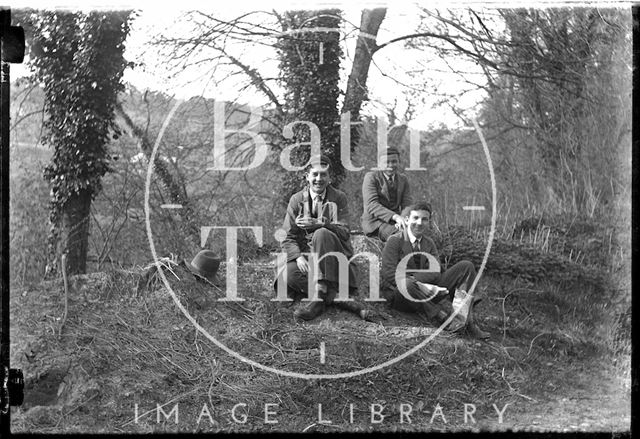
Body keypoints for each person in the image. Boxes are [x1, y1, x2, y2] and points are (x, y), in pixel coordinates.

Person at [274, 154, 367, 321]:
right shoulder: (296, 200)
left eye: (324, 174)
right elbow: (287, 236)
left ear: (330, 178)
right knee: (290, 274)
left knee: (321, 233)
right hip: (310, 260)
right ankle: (336, 298)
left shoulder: (339, 198)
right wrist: (298, 257)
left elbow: (344, 231)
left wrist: (321, 224)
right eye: (315, 174)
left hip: (335, 259)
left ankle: (317, 300)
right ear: (307, 177)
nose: (319, 179)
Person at [380, 202, 490, 339]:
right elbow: (389, 273)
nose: (419, 223)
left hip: (427, 290)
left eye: (424, 219)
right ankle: (442, 318)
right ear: (407, 220)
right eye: (415, 218)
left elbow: (435, 271)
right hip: (401, 295)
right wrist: (417, 283)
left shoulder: (429, 243)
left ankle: (465, 320)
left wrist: (423, 284)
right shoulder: (395, 241)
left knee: (466, 266)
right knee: (406, 284)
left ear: (428, 222)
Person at [361, 147, 413, 242]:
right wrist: (396, 217)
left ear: (399, 162)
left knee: (417, 233)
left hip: (397, 222)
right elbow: (372, 205)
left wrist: (404, 220)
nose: (391, 165)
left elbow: (407, 204)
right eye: (386, 162)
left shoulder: (403, 179)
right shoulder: (371, 178)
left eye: (394, 161)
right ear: (379, 164)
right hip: (376, 223)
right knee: (400, 236)